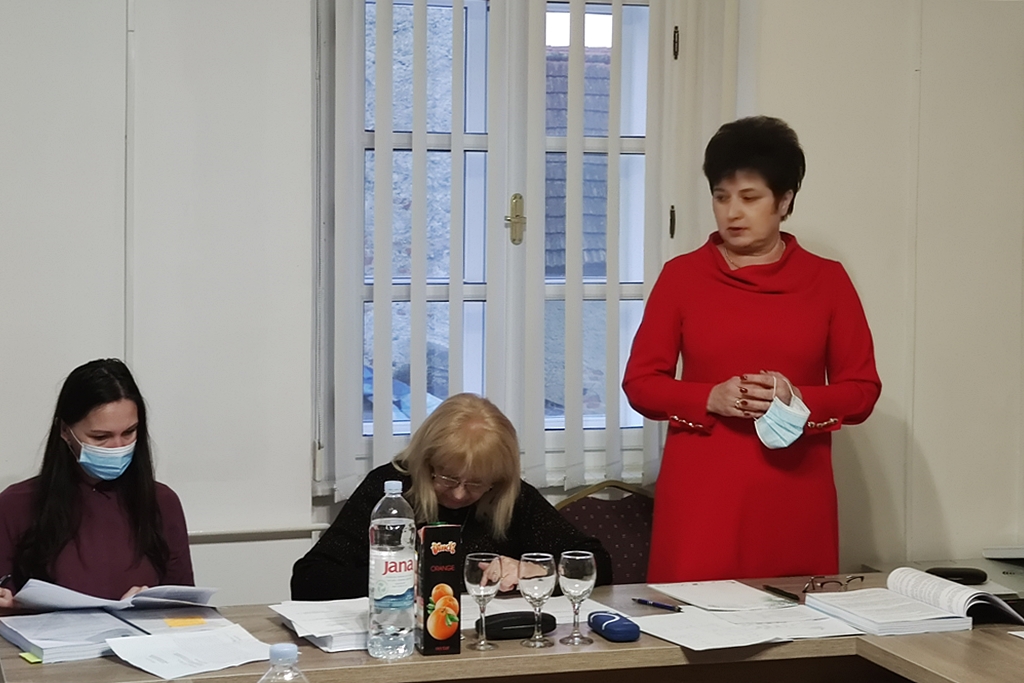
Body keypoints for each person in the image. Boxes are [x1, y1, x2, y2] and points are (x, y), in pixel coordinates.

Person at [622, 116, 881, 583]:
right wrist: (709, 396)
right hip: (701, 496)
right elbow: (640, 383)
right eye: (721, 197)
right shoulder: (682, 277)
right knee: (693, 616)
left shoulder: (827, 281)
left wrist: (795, 397)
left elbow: (862, 391)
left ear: (784, 201)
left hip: (795, 494)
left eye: (749, 197)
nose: (732, 213)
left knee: (795, 619)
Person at [291, 393, 613, 599]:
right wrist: (394, 580)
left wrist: (536, 571)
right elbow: (309, 580)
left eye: (476, 484)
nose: (459, 494)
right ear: (425, 462)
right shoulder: (391, 488)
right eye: (446, 478)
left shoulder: (509, 496)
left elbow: (597, 563)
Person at [0, 359, 193, 609]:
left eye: (129, 432)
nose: (118, 447)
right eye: (101, 437)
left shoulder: (162, 502)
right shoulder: (16, 505)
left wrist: (152, 606)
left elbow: (185, 609)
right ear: (65, 431)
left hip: (135, 635)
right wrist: (13, 608)